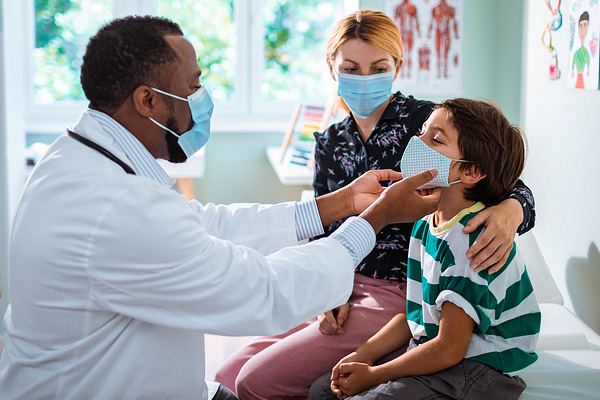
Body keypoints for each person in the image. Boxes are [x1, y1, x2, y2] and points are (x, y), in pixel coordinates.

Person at [0, 16, 442, 400]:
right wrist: (375, 217)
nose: (203, 99)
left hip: (397, 289)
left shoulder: (78, 161)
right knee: (238, 378)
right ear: (147, 100)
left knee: (247, 381)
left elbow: (208, 224)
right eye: (193, 87)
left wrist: (340, 204)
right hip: (98, 389)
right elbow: (264, 292)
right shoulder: (116, 206)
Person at [215, 10, 536, 400]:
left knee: (257, 381)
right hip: (343, 280)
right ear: (332, 69)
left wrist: (511, 210)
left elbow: (504, 179)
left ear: (397, 66)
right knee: (227, 373)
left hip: (401, 289)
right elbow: (324, 227)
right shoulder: (331, 142)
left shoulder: (427, 123)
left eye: (378, 67)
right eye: (351, 68)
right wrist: (328, 289)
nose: (364, 80)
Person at [309, 98, 541, 400]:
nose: (416, 143)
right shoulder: (424, 226)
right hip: (437, 348)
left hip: (477, 369)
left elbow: (449, 348)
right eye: (421, 132)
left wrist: (375, 375)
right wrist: (362, 355)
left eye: (435, 139)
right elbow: (416, 316)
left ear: (471, 171)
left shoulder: (471, 242)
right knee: (322, 391)